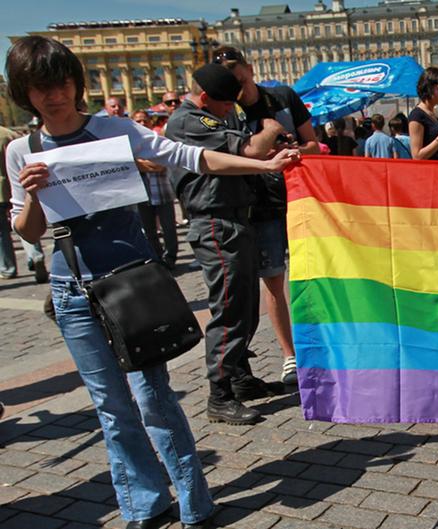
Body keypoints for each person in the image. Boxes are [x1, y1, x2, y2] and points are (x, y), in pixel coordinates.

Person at [5, 36, 299, 529]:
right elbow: (28, 230)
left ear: (75, 82)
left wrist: (264, 164)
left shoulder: (114, 130)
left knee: (154, 396)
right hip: (73, 288)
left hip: (132, 282)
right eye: (38, 88)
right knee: (111, 406)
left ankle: (194, 502)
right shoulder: (22, 150)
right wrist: (33, 197)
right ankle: (145, 503)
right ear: (24, 92)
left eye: (59, 83)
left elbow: (190, 156)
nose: (52, 96)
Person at [165, 63, 290, 426]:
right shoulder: (189, 121)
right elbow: (250, 150)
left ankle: (238, 377)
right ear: (205, 98)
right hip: (216, 224)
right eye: (224, 104)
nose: (229, 110)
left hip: (236, 219)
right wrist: (270, 126)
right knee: (230, 309)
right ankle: (219, 395)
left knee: (246, 307)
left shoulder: (213, 117)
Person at [214, 45, 321, 385]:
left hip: (300, 198)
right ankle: (290, 356)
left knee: (313, 273)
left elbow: (313, 145)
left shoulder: (282, 97)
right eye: (230, 83)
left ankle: (322, 345)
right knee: (273, 280)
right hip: (258, 207)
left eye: (240, 79)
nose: (238, 88)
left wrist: (287, 152)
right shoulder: (225, 113)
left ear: (250, 69)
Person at [130, 111, 179, 270]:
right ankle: (157, 259)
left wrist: (138, 163)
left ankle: (170, 258)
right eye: (138, 121)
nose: (142, 124)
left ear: (150, 122)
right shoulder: (129, 145)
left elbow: (160, 166)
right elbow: (130, 165)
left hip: (163, 193)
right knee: (149, 231)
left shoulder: (159, 140)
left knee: (169, 229)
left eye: (145, 120)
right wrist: (143, 164)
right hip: (142, 196)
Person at [1, 125, 48, 282]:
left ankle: (7, 268)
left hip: (8, 190)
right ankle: (35, 255)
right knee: (17, 222)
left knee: (4, 232)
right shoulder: (8, 135)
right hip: (14, 186)